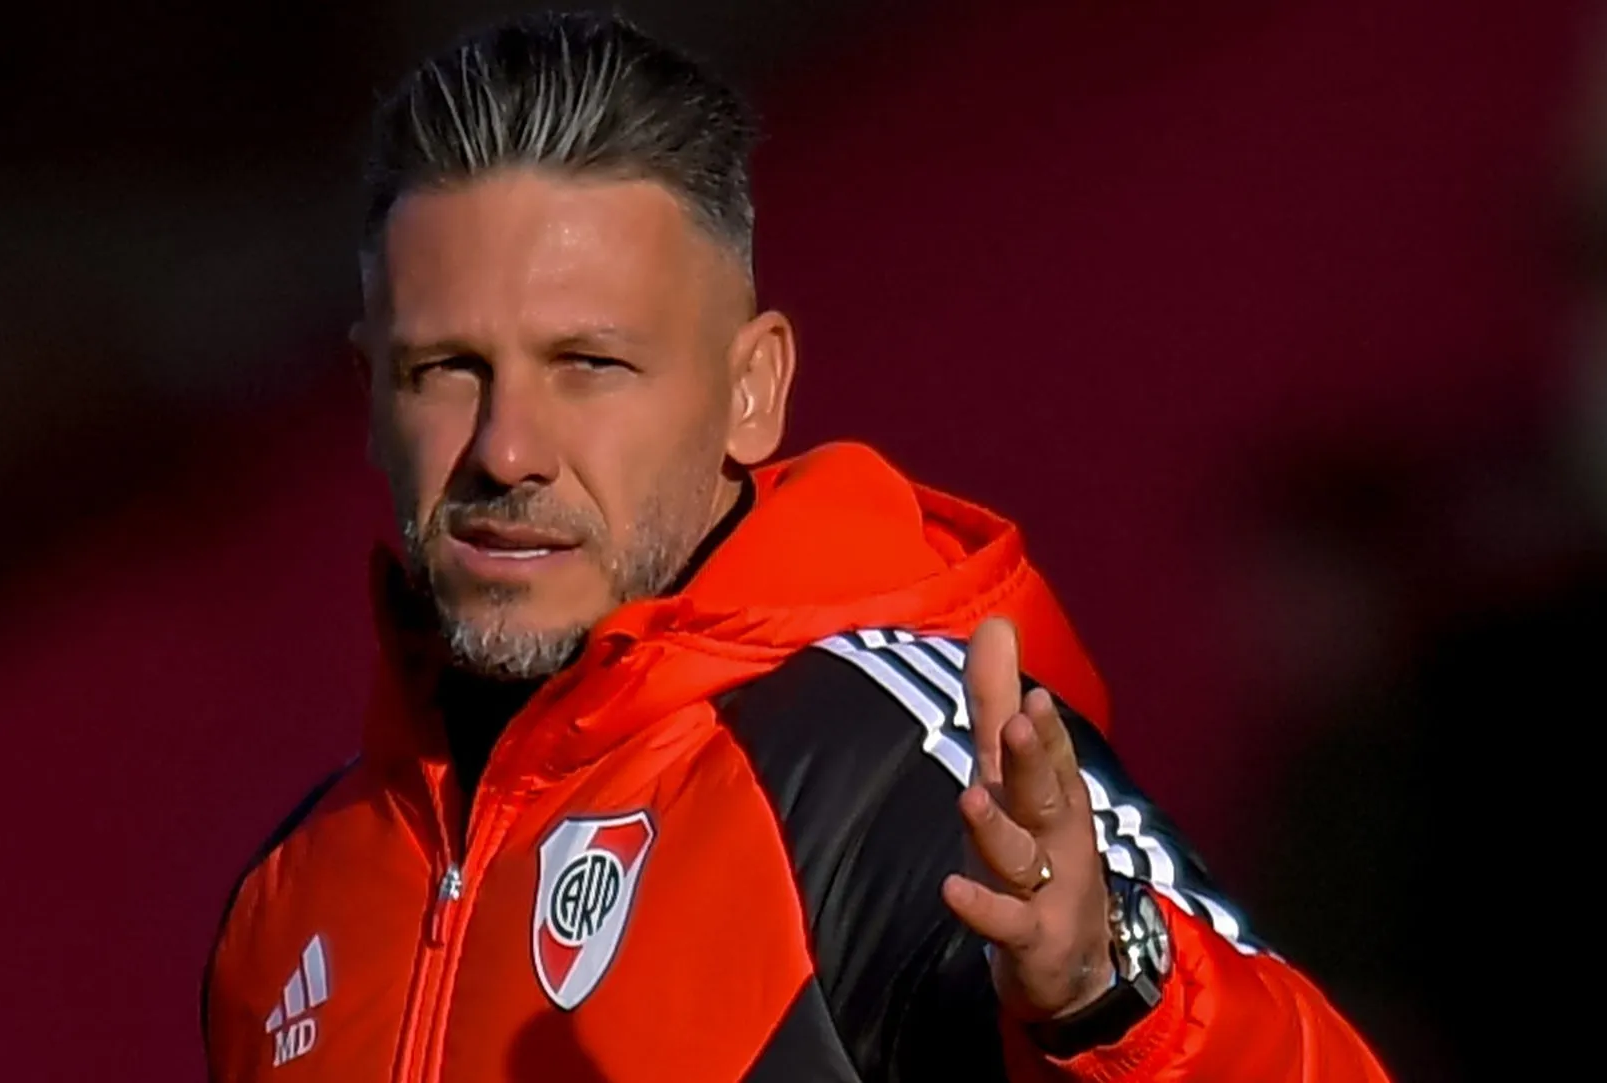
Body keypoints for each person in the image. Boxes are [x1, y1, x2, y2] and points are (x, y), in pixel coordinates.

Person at [201, 11, 1388, 1081]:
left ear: (750, 391)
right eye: (446, 370)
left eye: (589, 366)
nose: (507, 450)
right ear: (367, 394)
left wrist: (1103, 997)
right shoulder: (291, 897)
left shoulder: (904, 772)